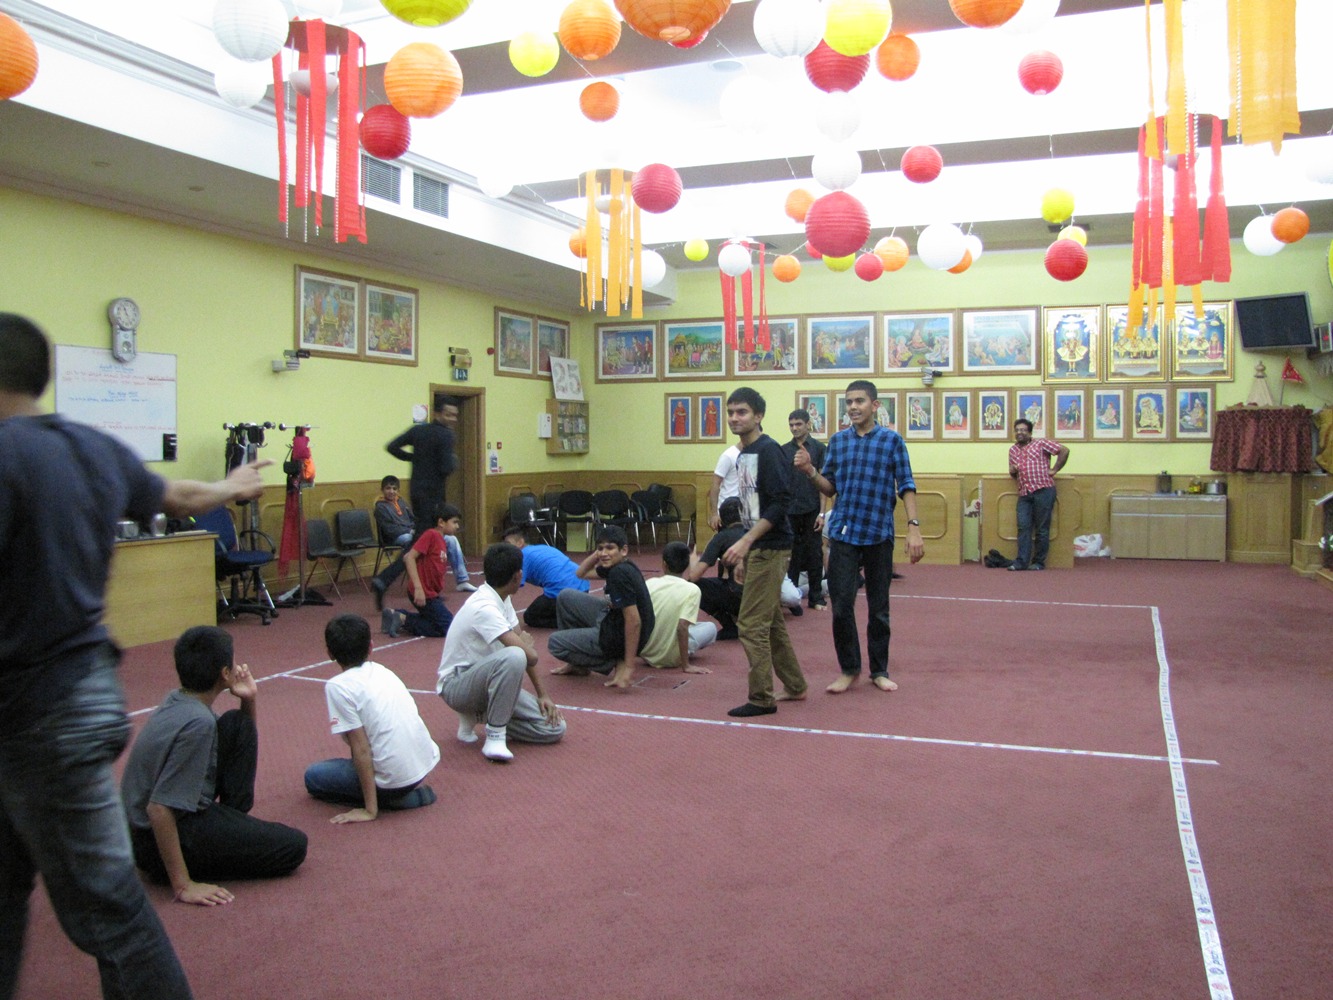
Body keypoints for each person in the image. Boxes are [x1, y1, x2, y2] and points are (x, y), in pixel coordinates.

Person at [0, 312, 280, 999]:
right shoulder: (88, 446)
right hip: (77, 695)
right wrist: (233, 487)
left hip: (37, 714)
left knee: (107, 907)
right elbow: (178, 495)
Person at [121, 627, 308, 904]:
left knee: (237, 723)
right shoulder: (199, 724)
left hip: (149, 830)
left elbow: (237, 748)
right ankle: (189, 861)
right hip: (154, 841)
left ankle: (229, 829)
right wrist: (183, 885)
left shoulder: (178, 699)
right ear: (224, 674)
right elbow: (158, 809)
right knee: (293, 846)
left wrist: (249, 700)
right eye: (232, 664)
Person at [794, 380, 925, 695]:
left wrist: (914, 527)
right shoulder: (838, 441)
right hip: (844, 534)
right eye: (849, 402)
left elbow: (906, 484)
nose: (853, 407)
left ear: (875, 405)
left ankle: (879, 670)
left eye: (859, 401)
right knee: (841, 606)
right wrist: (812, 472)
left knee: (879, 608)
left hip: (879, 533)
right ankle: (849, 668)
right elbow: (831, 487)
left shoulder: (892, 441)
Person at [720, 387, 807, 718]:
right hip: (758, 546)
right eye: (731, 413)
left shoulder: (769, 451)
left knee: (750, 624)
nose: (734, 418)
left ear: (758, 416)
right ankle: (795, 685)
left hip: (773, 547)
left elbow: (780, 503)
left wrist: (746, 542)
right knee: (770, 622)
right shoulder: (743, 455)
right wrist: (744, 550)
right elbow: (750, 509)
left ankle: (761, 697)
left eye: (741, 412)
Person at [437, 542, 566, 762]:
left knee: (555, 728)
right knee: (514, 655)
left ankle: (480, 715)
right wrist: (524, 645)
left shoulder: (502, 599)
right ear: (518, 576)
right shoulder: (484, 607)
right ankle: (495, 736)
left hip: (488, 683)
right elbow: (527, 655)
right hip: (457, 686)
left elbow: (526, 652)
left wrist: (543, 694)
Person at [303, 615, 440, 821]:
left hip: (393, 782)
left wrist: (370, 810)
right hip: (423, 765)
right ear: (371, 647)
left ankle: (391, 800)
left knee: (313, 777)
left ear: (330, 653)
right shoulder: (382, 670)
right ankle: (398, 792)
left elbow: (361, 749)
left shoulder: (338, 686)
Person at [372, 395, 460, 609]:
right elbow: (447, 467)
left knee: (422, 541)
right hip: (433, 495)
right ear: (438, 413)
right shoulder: (446, 435)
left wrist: (413, 458)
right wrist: (453, 461)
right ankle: (387, 580)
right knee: (424, 542)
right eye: (448, 414)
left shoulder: (418, 431)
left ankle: (413, 585)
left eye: (455, 415)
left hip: (417, 491)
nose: (452, 418)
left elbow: (392, 446)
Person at [548, 525, 655, 690]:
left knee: (554, 643)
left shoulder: (620, 575)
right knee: (566, 596)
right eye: (600, 548)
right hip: (613, 618)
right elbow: (581, 573)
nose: (604, 553)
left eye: (610, 548)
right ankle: (577, 665)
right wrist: (600, 554)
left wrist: (628, 665)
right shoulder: (617, 565)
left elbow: (634, 621)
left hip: (620, 633)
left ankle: (614, 660)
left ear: (624, 550)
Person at [374, 475, 474, 596]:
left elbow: (413, 519)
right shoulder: (380, 507)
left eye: (394, 489)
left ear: (398, 491)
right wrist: (410, 531)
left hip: (411, 533)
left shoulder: (401, 502)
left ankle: (462, 580)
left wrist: (417, 530)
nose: (391, 491)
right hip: (396, 536)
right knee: (415, 542)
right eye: (388, 488)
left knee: (451, 539)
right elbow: (389, 529)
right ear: (382, 490)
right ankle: (421, 583)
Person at [380, 503, 462, 639]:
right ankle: (403, 619)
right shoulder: (431, 535)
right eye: (454, 522)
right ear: (441, 522)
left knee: (441, 622)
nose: (457, 526)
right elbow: (409, 557)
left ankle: (396, 614)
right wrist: (418, 588)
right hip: (423, 593)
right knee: (448, 627)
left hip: (431, 593)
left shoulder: (441, 539)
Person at [640, 541, 716, 672]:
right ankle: (679, 653)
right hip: (671, 658)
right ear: (686, 565)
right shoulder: (692, 590)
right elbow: (682, 627)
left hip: (646, 653)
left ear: (664, 564)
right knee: (711, 627)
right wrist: (686, 666)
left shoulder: (649, 583)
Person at [1007, 418, 1070, 572]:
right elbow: (1012, 473)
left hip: (1043, 490)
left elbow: (1064, 450)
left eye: (1023, 430)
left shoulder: (1040, 443)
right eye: (1017, 430)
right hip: (1024, 493)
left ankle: (1038, 563)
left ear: (1029, 432)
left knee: (1042, 529)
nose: (1019, 433)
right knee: (1023, 527)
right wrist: (1012, 470)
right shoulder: (1013, 450)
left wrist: (1054, 469)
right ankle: (1021, 562)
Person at [499, 525, 588, 629]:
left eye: (508, 544)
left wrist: (497, 610)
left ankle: (572, 623)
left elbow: (511, 589)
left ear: (520, 543)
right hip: (583, 587)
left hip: (562, 592)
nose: (506, 549)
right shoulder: (540, 548)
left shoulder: (522, 556)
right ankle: (572, 615)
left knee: (530, 617)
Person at [781, 408, 827, 611]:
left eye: (798, 424)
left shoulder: (818, 449)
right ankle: (792, 601)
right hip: (790, 510)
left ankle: (816, 597)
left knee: (815, 554)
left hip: (812, 510)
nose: (794, 428)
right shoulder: (783, 450)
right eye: (791, 425)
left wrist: (822, 513)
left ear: (808, 424)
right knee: (791, 556)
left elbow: (824, 483)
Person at [685, 496, 746, 640]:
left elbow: (694, 577)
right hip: (762, 597)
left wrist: (693, 562)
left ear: (722, 519)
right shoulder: (756, 532)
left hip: (738, 596)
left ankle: (729, 625)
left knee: (694, 586)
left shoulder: (721, 538)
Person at [706, 442, 741, 531]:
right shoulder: (729, 455)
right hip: (727, 510)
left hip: (744, 510)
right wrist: (714, 514)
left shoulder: (753, 454)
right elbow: (715, 484)